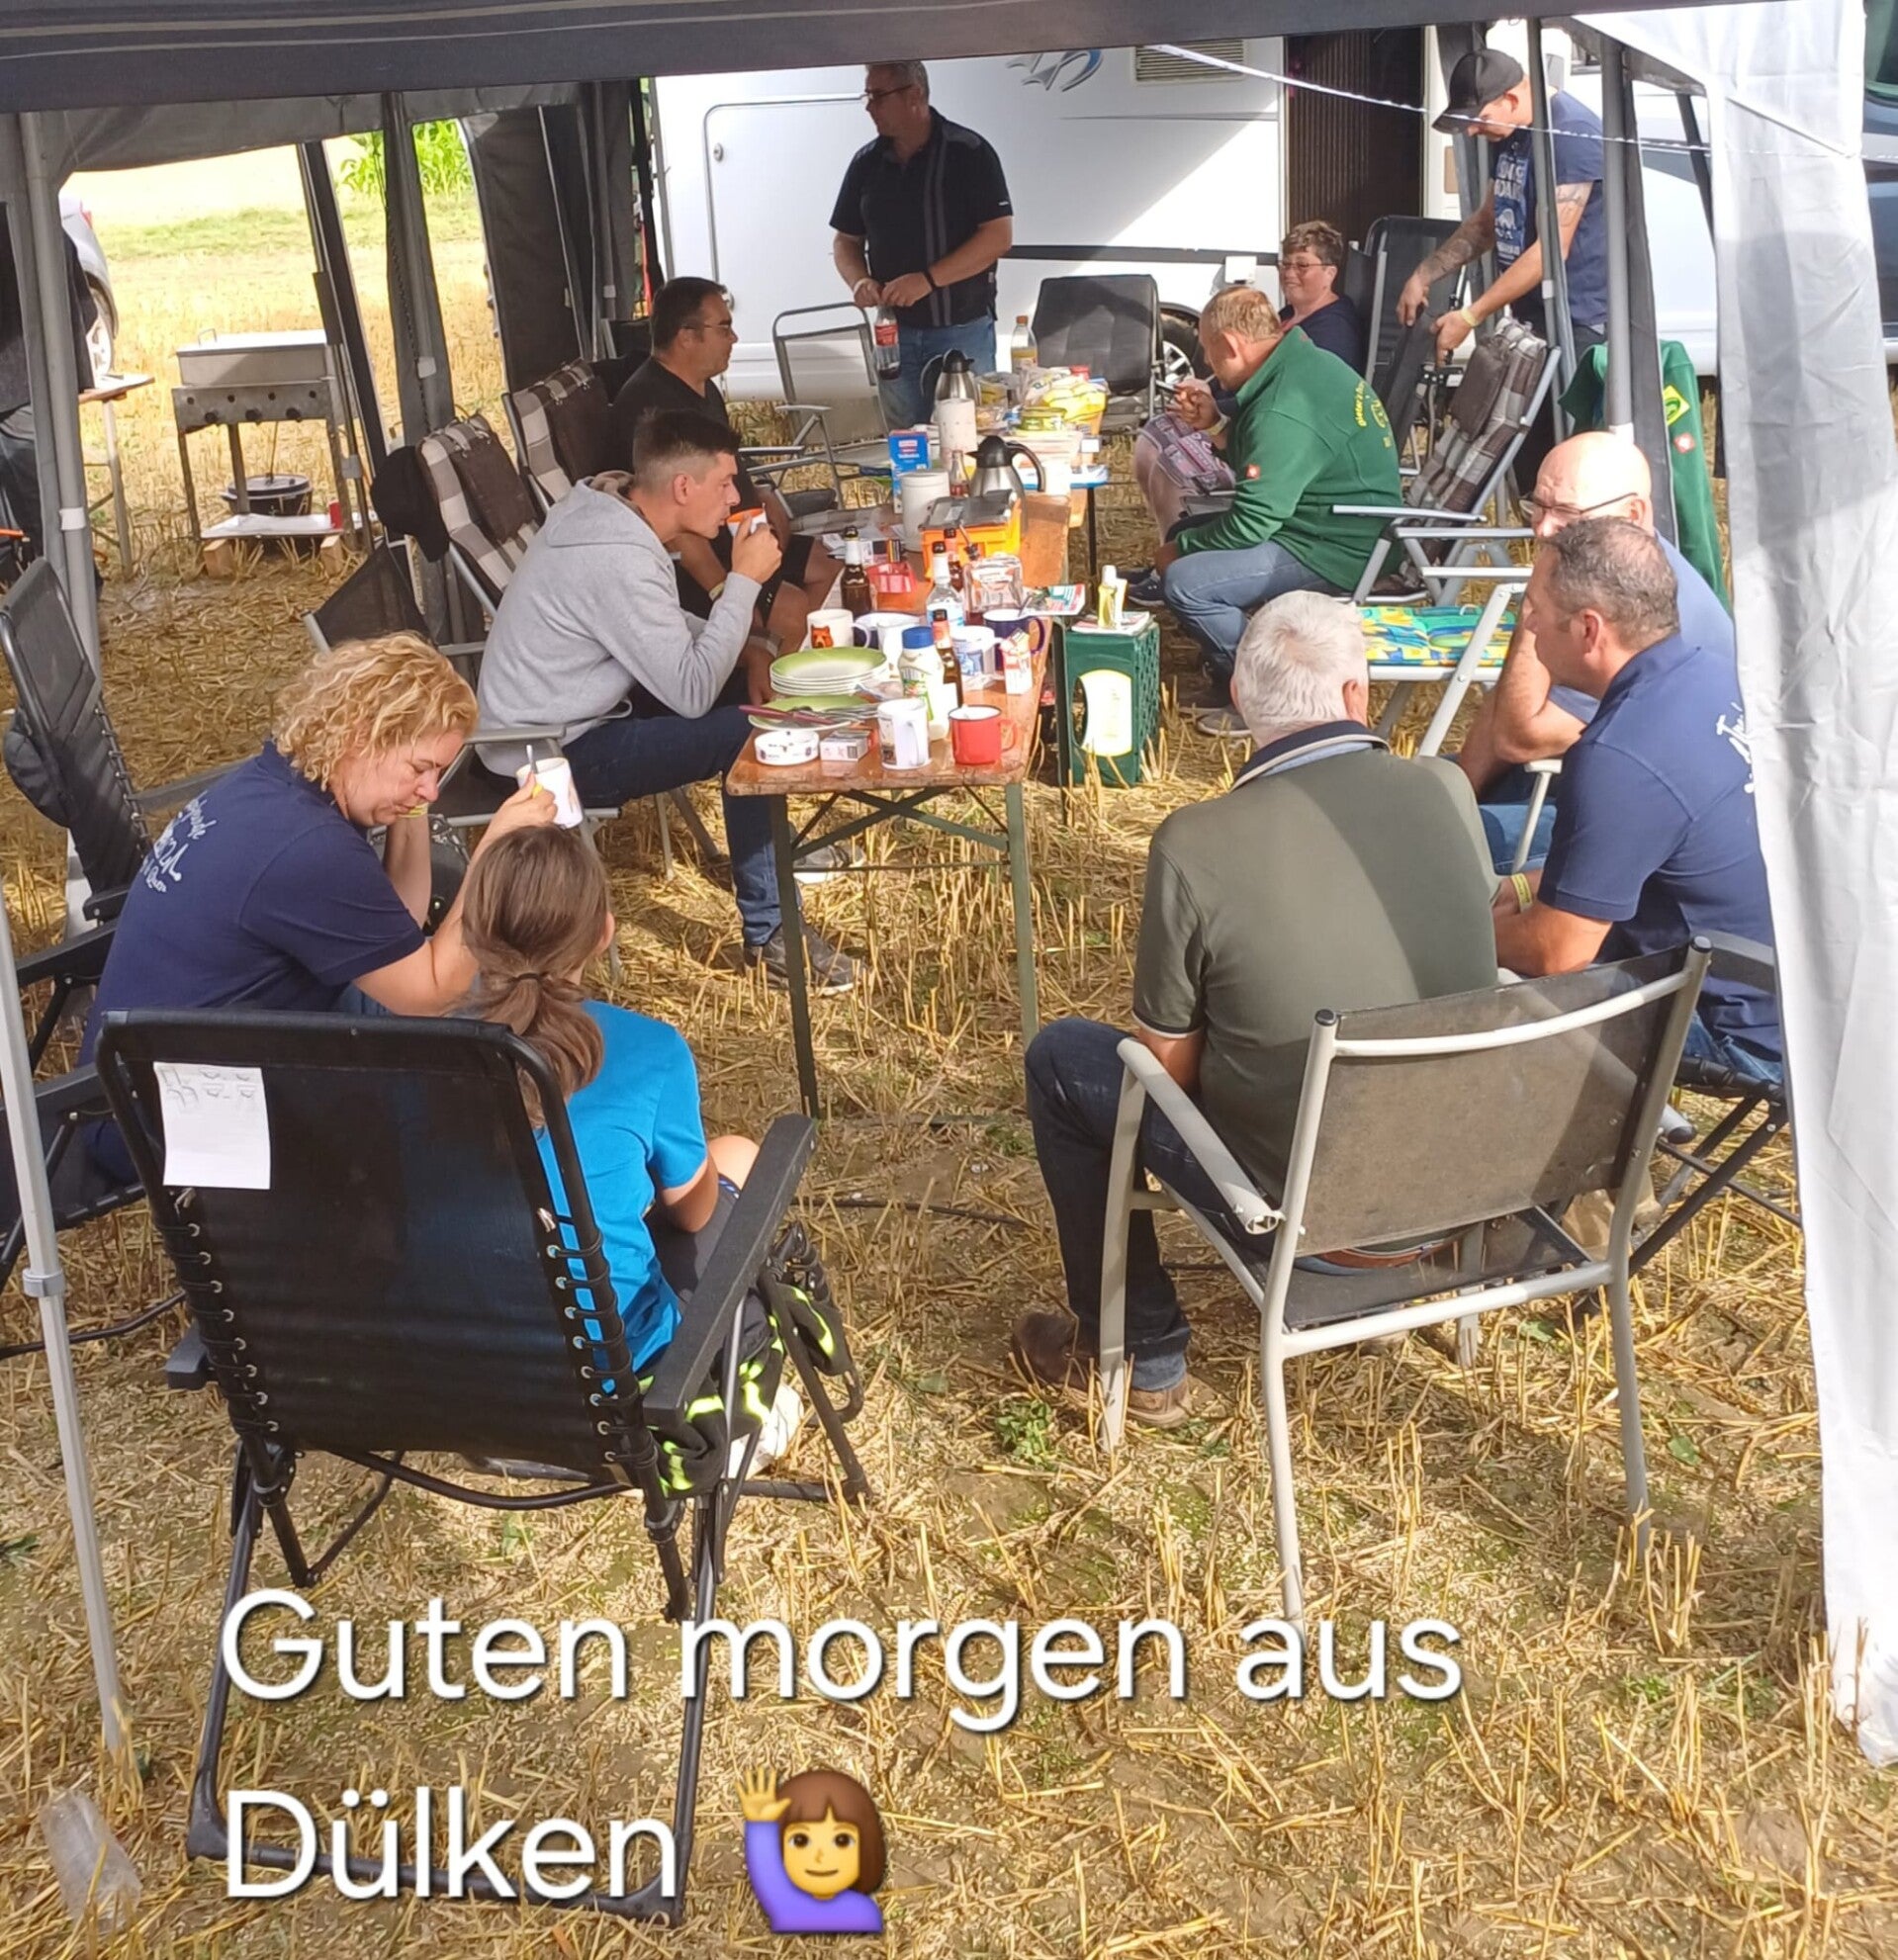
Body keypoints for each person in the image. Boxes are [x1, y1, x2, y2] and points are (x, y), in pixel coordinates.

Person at [1012, 591, 1499, 1425]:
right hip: (1456, 1194)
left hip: (1308, 1223)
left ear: (1240, 700)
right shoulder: (1446, 788)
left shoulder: (1194, 842)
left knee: (1065, 1059)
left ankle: (1139, 1355)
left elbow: (1163, 1072)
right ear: (1356, 694)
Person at [475, 409, 859, 992]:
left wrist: (751, 647)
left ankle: (773, 858)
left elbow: (663, 626)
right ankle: (772, 935)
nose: (734, 499)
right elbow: (691, 694)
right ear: (683, 487)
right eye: (724, 483)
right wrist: (745, 582)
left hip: (573, 713)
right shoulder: (616, 555)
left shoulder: (606, 511)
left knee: (748, 695)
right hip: (546, 753)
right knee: (747, 730)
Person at [83, 632, 552, 1040]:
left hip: (178, 1050)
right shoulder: (311, 847)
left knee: (506, 989)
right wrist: (493, 852)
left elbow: (397, 926)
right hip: (187, 1094)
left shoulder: (279, 784)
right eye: (420, 768)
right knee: (509, 1010)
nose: (432, 790)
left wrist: (412, 802)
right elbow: (429, 998)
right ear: (360, 737)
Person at [459, 824, 762, 1376]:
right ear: (604, 933)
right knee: (739, 1157)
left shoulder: (418, 1048)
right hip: (606, 1368)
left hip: (461, 1358)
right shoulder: (649, 1050)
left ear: (471, 933)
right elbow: (693, 1213)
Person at [1492, 518, 1780, 1082]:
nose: (1526, 624)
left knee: (1496, 991)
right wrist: (1524, 887)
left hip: (1742, 1031)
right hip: (1811, 999)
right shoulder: (1718, 675)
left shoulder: (1619, 754)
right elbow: (1658, 846)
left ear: (1588, 629)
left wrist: (1460, 936)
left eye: (1535, 609)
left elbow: (1557, 954)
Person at [1458, 431, 1733, 870]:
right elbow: (1508, 699)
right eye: (1538, 506)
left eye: (1567, 512)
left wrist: (1533, 605)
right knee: (1415, 807)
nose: (1544, 529)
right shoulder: (1591, 572)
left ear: (1633, 514)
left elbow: (1519, 738)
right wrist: (1456, 797)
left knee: (1425, 849)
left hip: (1637, 823)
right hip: (1565, 778)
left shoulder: (1641, 608)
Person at [1153, 283, 1401, 736]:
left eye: (1209, 351)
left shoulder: (1283, 407)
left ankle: (1260, 693)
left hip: (1336, 547)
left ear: (1231, 344)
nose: (1207, 364)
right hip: (1334, 524)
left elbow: (1252, 522)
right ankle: (1228, 668)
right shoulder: (1298, 367)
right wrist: (1215, 425)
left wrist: (1184, 549)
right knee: (1180, 540)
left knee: (1187, 583)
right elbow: (1265, 466)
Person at [1398, 47, 1607, 482]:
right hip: (1532, 318)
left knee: (1564, 460)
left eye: (1479, 118)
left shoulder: (1571, 134)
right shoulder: (1509, 133)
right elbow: (1487, 222)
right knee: (1524, 458)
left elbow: (1550, 250)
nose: (1473, 130)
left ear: (1510, 99)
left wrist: (1471, 316)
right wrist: (1424, 273)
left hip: (1578, 321)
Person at [606, 276, 834, 638]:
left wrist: (761, 492)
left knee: (830, 566)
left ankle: (794, 655)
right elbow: (673, 525)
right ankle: (772, 666)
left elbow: (726, 465)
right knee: (794, 611)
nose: (735, 338)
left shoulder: (703, 388)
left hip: (741, 533)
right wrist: (724, 594)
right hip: (707, 562)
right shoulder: (652, 409)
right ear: (686, 336)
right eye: (724, 328)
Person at [1130, 221, 1368, 551]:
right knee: (1154, 434)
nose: (1289, 273)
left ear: (1330, 272)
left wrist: (1214, 409)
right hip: (1237, 420)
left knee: (1171, 464)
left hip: (1270, 445)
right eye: (1285, 264)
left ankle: (1179, 556)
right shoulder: (1287, 315)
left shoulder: (1333, 331)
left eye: (1302, 265)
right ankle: (1168, 547)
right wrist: (1205, 399)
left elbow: (1285, 402)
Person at [830, 60, 1013, 428]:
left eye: (878, 96)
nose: (869, 107)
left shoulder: (969, 152)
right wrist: (859, 280)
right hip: (894, 334)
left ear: (914, 95)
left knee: (968, 435)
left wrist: (927, 280)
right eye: (867, 96)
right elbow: (845, 240)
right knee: (905, 440)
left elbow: (998, 236)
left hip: (961, 329)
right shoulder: (866, 163)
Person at [738, 1767, 886, 1935]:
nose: (820, 1857)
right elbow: (767, 1875)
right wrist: (761, 1826)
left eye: (842, 1840)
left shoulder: (862, 1911)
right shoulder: (787, 1903)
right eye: (800, 1841)